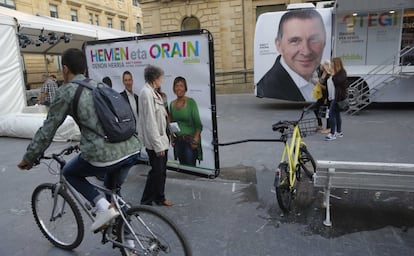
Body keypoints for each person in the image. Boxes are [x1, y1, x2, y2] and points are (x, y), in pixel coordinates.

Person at [17, 48, 143, 232]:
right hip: (132, 147)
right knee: (113, 192)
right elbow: (102, 122)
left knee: (70, 172)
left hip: (105, 153)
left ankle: (103, 209)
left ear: (65, 69)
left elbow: (48, 129)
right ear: (84, 68)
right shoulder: (98, 86)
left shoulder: (66, 91)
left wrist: (29, 157)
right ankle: (130, 241)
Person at [256, 9, 326, 101]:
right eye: (295, 41)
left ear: (324, 41)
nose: (306, 52)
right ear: (279, 45)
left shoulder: (319, 73)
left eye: (314, 39)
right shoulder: (269, 88)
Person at [138, 65, 172, 206]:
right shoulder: (146, 93)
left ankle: (159, 198)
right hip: (155, 143)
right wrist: (158, 146)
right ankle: (146, 201)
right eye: (161, 77)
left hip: (162, 140)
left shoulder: (154, 92)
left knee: (162, 171)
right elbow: (150, 122)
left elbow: (161, 117)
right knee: (156, 172)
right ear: (154, 78)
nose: (162, 80)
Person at [169, 76, 203, 166]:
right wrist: (172, 138)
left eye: (181, 86)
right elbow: (171, 123)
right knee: (183, 170)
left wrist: (195, 140)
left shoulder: (191, 102)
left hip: (190, 142)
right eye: (176, 86)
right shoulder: (172, 104)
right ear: (174, 88)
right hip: (178, 142)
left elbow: (198, 125)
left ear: (185, 88)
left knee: (191, 169)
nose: (179, 88)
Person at [325, 57, 348, 141]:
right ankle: (339, 132)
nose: (331, 64)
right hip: (332, 97)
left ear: (336, 64)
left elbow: (337, 81)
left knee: (331, 114)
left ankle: (332, 133)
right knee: (337, 114)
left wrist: (333, 74)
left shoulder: (342, 72)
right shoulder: (333, 73)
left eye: (332, 63)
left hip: (337, 97)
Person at [313, 60, 331, 133]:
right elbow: (319, 82)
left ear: (325, 67)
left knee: (327, 111)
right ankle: (320, 125)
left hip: (327, 95)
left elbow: (327, 87)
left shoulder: (329, 75)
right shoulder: (321, 73)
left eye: (322, 65)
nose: (320, 66)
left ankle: (328, 128)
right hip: (321, 95)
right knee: (315, 108)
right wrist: (316, 83)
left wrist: (318, 84)